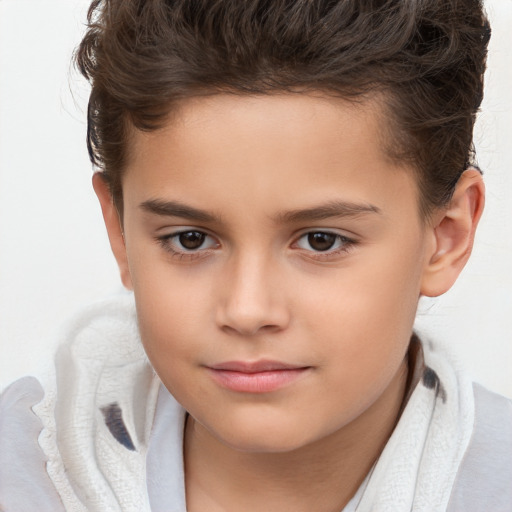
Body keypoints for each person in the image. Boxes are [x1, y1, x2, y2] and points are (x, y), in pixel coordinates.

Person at [1, 0, 510, 511]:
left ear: (446, 237)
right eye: (190, 239)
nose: (247, 310)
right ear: (121, 232)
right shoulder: (23, 471)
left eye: (321, 241)